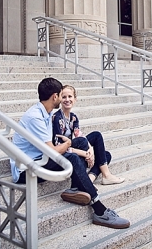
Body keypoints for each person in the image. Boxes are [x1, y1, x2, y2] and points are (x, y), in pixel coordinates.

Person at [9, 77, 130, 229]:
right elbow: (52, 151)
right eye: (61, 95)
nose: (62, 98)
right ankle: (99, 209)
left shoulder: (44, 112)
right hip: (26, 170)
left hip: (41, 158)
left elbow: (56, 146)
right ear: (55, 97)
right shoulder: (36, 117)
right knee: (72, 156)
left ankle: (77, 186)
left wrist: (85, 148)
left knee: (100, 153)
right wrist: (68, 144)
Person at [53, 84, 125, 185]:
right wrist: (85, 154)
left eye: (70, 96)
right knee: (85, 142)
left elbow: (79, 135)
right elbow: (58, 147)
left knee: (105, 154)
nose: (67, 99)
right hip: (62, 153)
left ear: (75, 99)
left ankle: (90, 180)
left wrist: (90, 149)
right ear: (60, 99)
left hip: (72, 146)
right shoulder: (57, 118)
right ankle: (105, 176)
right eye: (64, 97)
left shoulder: (73, 117)